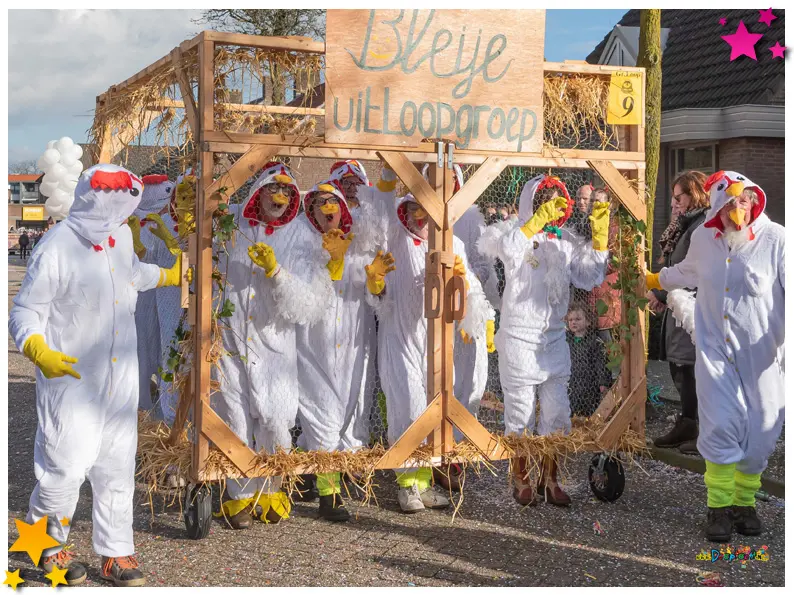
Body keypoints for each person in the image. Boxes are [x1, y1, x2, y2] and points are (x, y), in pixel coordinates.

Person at [8, 164, 187, 587]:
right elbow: (25, 310)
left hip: (120, 377)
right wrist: (37, 349)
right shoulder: (56, 246)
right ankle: (42, 546)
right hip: (70, 378)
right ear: (93, 197)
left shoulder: (121, 236)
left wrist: (169, 275)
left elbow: (130, 275)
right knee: (64, 468)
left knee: (117, 469)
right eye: (113, 199)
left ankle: (115, 551)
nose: (120, 209)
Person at [645, 170, 784, 543]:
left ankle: (745, 500)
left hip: (762, 357)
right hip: (716, 352)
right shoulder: (705, 238)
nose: (736, 210)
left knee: (764, 431)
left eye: (743, 201)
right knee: (720, 425)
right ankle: (720, 507)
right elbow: (688, 271)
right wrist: (654, 280)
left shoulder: (777, 240)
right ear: (718, 209)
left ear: (754, 200)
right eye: (728, 206)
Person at [213, 162, 333, 530]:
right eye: (271, 190)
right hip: (231, 337)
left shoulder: (303, 238)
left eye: (286, 192)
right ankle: (238, 495)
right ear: (258, 192)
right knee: (231, 417)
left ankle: (271, 487)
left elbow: (311, 305)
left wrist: (276, 273)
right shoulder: (232, 228)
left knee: (276, 419)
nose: (279, 198)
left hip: (274, 345)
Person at [479, 174, 609, 507]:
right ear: (532, 202)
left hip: (553, 337)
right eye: (545, 199)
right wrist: (533, 222)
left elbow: (589, 275)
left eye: (557, 197)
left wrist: (600, 237)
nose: (553, 204)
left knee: (556, 413)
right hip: (519, 337)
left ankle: (550, 479)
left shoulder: (563, 239)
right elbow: (507, 251)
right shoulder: (513, 232)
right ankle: (520, 479)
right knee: (520, 413)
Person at [366, 192, 493, 513]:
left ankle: (423, 482)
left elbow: (472, 292)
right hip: (402, 339)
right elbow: (380, 298)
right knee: (407, 408)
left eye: (426, 212)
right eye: (413, 210)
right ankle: (407, 485)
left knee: (432, 413)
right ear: (404, 212)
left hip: (438, 344)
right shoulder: (392, 240)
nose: (419, 218)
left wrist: (478, 313)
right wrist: (375, 282)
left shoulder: (453, 244)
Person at [295, 180, 380, 521]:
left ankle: (307, 471)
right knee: (324, 414)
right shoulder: (301, 244)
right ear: (310, 210)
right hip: (313, 342)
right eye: (319, 203)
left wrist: (377, 283)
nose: (327, 208)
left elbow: (372, 295)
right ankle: (330, 495)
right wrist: (328, 263)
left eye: (333, 201)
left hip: (351, 344)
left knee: (345, 411)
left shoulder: (359, 246)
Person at [647, 171, 710, 455]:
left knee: (690, 367)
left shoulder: (701, 226)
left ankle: (700, 428)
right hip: (679, 304)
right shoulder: (687, 224)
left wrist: (659, 290)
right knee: (679, 365)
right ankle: (687, 423)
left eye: (678, 197)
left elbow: (689, 270)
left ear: (694, 193)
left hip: (694, 309)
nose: (673, 203)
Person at [126, 174, 176, 412]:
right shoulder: (131, 224)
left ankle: (164, 404)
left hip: (168, 294)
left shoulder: (171, 223)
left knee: (165, 348)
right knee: (143, 347)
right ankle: (144, 406)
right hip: (143, 297)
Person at [586, 188, 622, 345]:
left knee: (606, 346)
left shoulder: (614, 227)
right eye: (592, 200)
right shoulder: (586, 225)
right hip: (588, 298)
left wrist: (593, 265)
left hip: (606, 294)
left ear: (609, 204)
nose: (594, 204)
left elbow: (617, 260)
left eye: (599, 201)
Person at [566, 302, 612, 417]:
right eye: (570, 320)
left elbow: (601, 362)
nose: (573, 322)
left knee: (589, 407)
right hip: (572, 381)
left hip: (590, 383)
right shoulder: (566, 340)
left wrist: (603, 382)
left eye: (578, 319)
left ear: (588, 321)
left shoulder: (594, 341)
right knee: (572, 406)